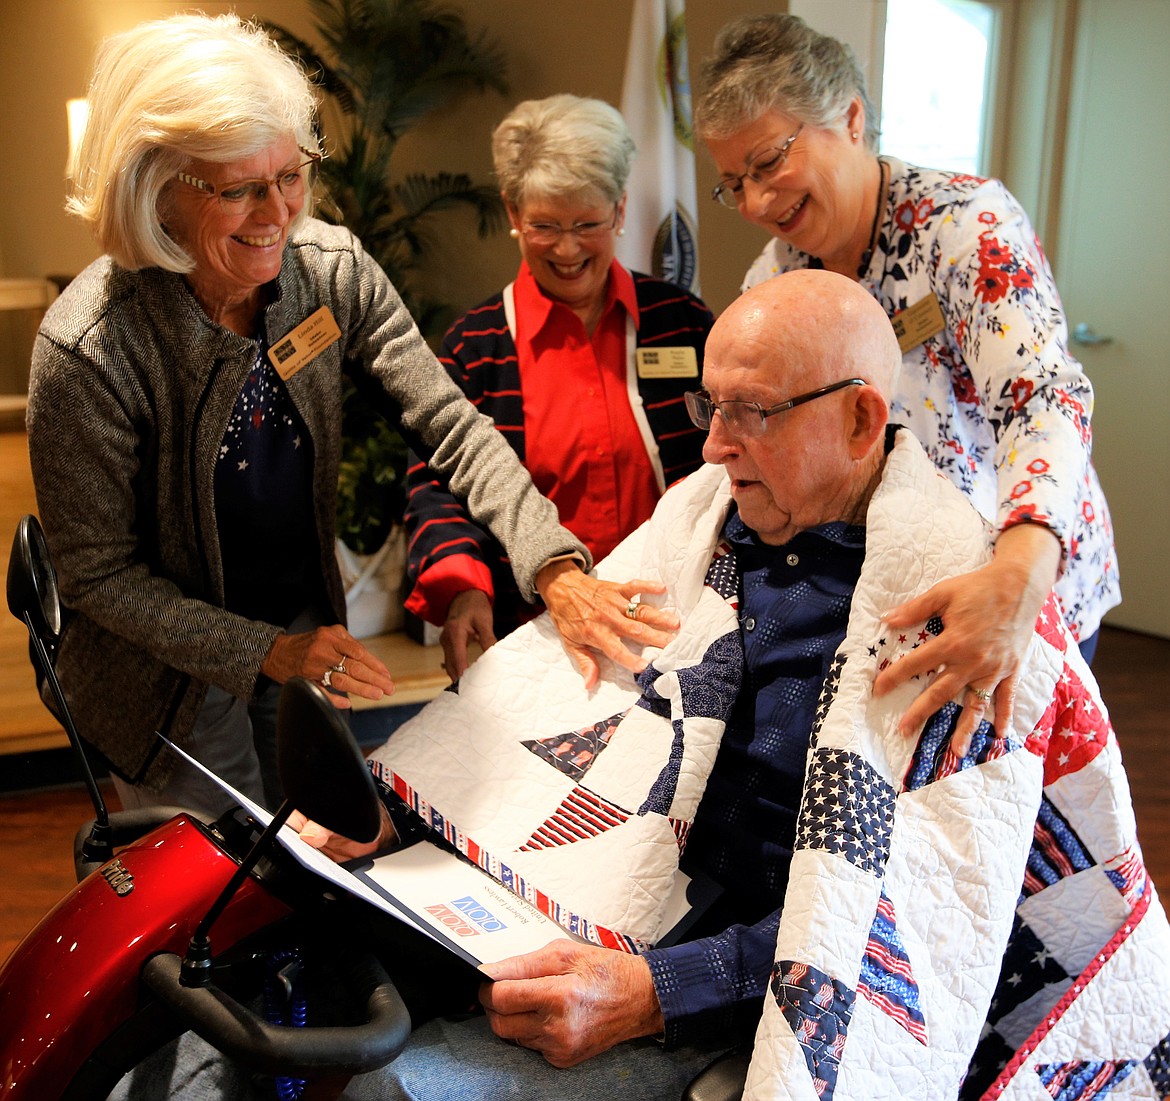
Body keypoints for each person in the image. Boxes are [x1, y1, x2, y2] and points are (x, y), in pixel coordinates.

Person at [115, 271, 1170, 1101]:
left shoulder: (947, 621)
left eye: (751, 414)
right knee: (272, 967)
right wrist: (396, 816)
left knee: (399, 1082)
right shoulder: (704, 522)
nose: (712, 448)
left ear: (859, 420)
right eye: (712, 409)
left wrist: (656, 995)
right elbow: (552, 705)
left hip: (732, 990)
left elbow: (896, 923)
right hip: (600, 911)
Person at [26, 14, 676, 819]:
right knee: (218, 884)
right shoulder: (91, 344)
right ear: (156, 187)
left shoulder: (327, 273)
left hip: (297, 624)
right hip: (160, 680)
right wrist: (270, 651)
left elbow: (450, 423)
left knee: (318, 848)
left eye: (290, 175)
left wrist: (553, 565)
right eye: (240, 190)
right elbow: (98, 577)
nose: (278, 214)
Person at [692, 13, 1120, 756]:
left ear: (851, 118)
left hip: (1017, 565)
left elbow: (1041, 396)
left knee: (1014, 796)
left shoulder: (962, 226)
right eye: (735, 183)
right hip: (896, 580)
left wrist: (1019, 575)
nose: (758, 202)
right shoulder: (778, 275)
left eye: (768, 163)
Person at [404, 94, 714, 682]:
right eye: (545, 226)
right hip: (530, 638)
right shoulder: (477, 344)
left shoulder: (683, 321)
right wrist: (464, 591)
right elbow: (437, 486)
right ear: (513, 212)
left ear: (620, 210)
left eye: (587, 224)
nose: (568, 249)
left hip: (678, 628)